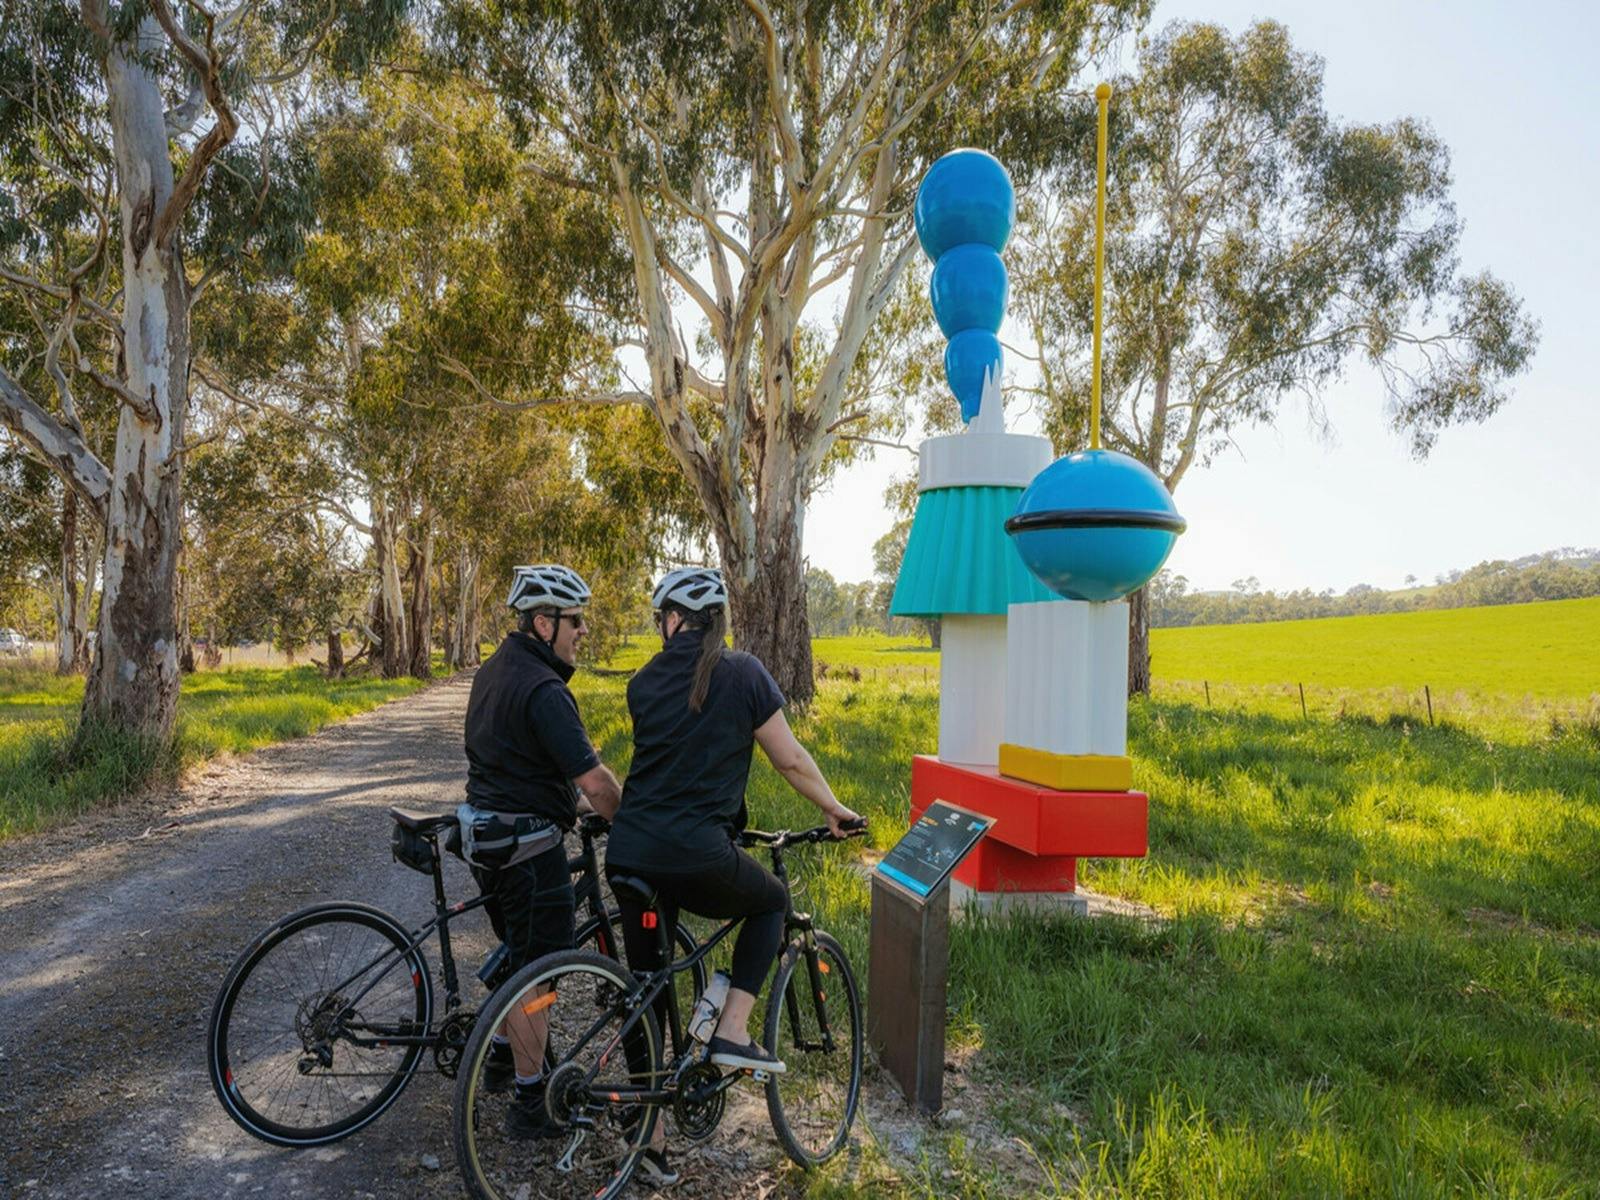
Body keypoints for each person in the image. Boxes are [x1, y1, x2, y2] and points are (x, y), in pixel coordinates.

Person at [605, 567, 860, 1177]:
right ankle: (733, 1032)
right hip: (695, 853)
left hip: (628, 853)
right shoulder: (743, 673)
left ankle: (652, 1139)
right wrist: (833, 809)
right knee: (770, 901)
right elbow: (790, 759)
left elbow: (670, 764)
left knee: (649, 989)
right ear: (717, 621)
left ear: (671, 620)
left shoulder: (643, 682)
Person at [462, 563, 621, 1139]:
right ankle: (531, 1104)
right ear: (541, 622)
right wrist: (627, 823)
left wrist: (561, 803)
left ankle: (501, 1056)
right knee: (539, 975)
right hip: (529, 851)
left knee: (518, 951)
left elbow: (512, 763)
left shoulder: (493, 671)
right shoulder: (545, 689)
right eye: (574, 620)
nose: (582, 630)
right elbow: (598, 784)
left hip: (488, 839)